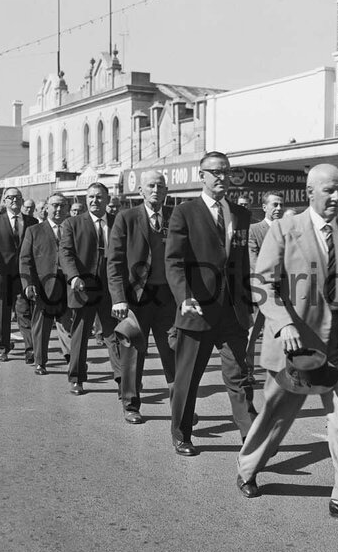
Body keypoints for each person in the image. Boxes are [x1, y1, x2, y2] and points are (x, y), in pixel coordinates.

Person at [236, 163, 338, 526]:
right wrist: (283, 323)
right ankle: (248, 467)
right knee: (276, 414)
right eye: (329, 190)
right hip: (298, 345)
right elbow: (262, 285)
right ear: (309, 193)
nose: (337, 197)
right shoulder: (286, 229)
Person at [165, 151, 257, 456]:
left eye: (226, 172)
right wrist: (184, 296)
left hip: (232, 312)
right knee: (188, 377)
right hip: (197, 309)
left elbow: (241, 262)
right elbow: (174, 261)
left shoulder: (241, 215)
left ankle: (251, 438)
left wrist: (249, 302)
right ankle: (181, 433)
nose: (221, 177)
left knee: (238, 376)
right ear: (201, 175)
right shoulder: (185, 213)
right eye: (215, 172)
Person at [107, 171, 177, 424]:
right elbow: (114, 261)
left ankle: (180, 405)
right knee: (134, 349)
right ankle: (131, 404)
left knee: (174, 349)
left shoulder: (174, 217)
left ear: (166, 191)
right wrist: (118, 298)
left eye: (160, 186)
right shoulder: (126, 218)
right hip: (136, 297)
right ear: (140, 191)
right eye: (151, 186)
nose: (156, 190)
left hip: (168, 297)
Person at [58, 183, 122, 395]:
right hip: (83, 288)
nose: (95, 201)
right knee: (80, 334)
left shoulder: (118, 222)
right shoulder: (72, 224)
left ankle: (123, 380)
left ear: (107, 199)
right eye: (91, 197)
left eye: (99, 197)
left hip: (111, 288)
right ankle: (76, 377)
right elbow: (65, 253)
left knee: (114, 334)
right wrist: (74, 277)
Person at [19, 192, 73, 376]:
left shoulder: (73, 228)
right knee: (42, 324)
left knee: (69, 324)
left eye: (62, 205)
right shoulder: (34, 231)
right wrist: (28, 284)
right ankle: (40, 361)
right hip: (44, 285)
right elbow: (25, 260)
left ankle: (72, 359)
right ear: (46, 208)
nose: (58, 209)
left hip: (69, 284)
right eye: (54, 205)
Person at [0, 187, 36, 362]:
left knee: (24, 312)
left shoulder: (32, 222)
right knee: (2, 315)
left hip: (24, 276)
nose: (14, 201)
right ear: (4, 201)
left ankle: (30, 349)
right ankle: (2, 348)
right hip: (1, 276)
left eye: (18, 197)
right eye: (10, 198)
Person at [245, 190, 284, 381]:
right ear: (264, 207)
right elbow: (255, 262)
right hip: (261, 290)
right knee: (251, 335)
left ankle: (281, 373)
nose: (278, 208)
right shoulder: (254, 230)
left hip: (285, 291)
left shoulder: (286, 229)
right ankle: (247, 371)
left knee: (283, 334)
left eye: (280, 205)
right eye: (274, 205)